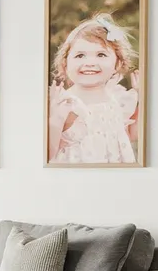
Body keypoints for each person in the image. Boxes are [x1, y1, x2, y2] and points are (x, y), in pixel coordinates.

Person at [48, 14, 140, 164]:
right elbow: (47, 155)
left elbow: (132, 135)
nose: (90, 62)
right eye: (80, 55)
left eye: (101, 54)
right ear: (65, 63)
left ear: (117, 64)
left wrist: (142, 99)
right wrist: (55, 120)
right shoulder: (64, 103)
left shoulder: (118, 98)